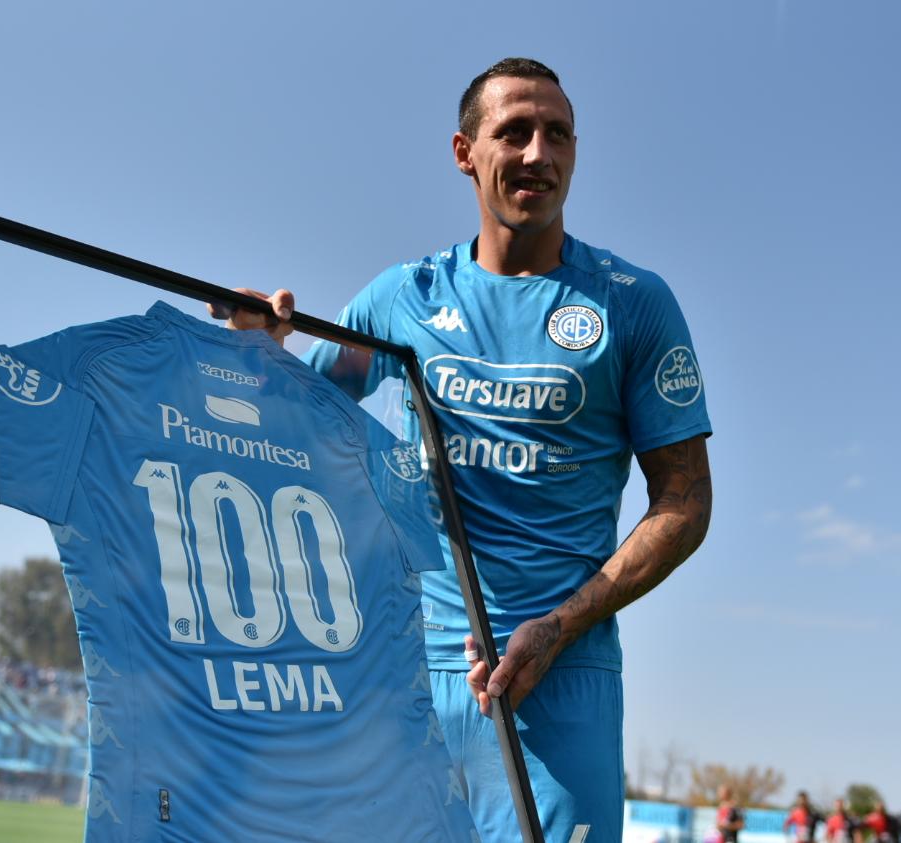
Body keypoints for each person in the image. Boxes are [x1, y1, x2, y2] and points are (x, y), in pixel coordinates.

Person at [213, 57, 713, 842]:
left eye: (557, 134)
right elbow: (296, 419)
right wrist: (261, 348)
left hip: (563, 678)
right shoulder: (400, 298)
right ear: (464, 152)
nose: (537, 154)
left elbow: (685, 501)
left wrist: (560, 624)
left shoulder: (634, 304)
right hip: (412, 686)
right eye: (513, 132)